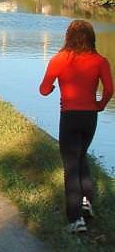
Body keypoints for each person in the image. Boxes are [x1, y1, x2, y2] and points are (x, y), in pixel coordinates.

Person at [40, 19, 113, 233]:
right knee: (81, 157)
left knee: (71, 167)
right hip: (90, 117)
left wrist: (53, 88)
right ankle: (86, 202)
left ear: (68, 37)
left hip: (70, 116)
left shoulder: (59, 59)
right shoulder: (100, 61)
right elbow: (109, 89)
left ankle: (75, 220)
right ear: (92, 38)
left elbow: (43, 90)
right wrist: (100, 105)